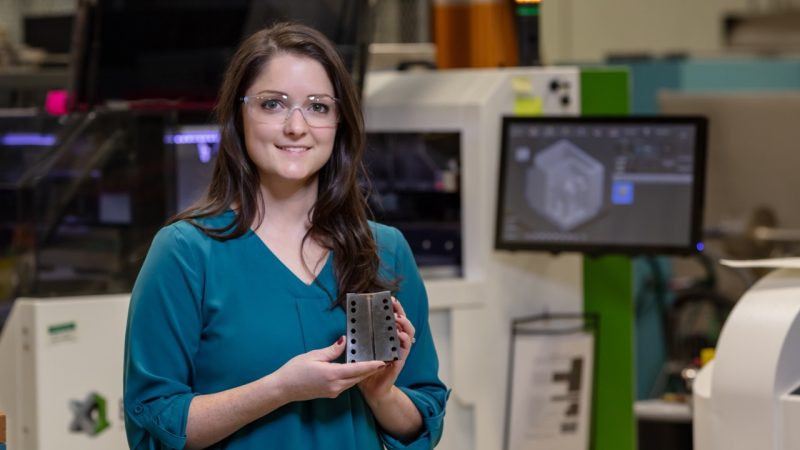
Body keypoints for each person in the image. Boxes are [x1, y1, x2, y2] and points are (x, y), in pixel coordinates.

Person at [123, 22, 449, 450]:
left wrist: (380, 394)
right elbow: (154, 424)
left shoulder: (383, 250)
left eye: (318, 107)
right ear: (239, 116)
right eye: (273, 104)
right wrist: (280, 388)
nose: (296, 126)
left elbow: (422, 420)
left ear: (339, 122)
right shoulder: (186, 253)